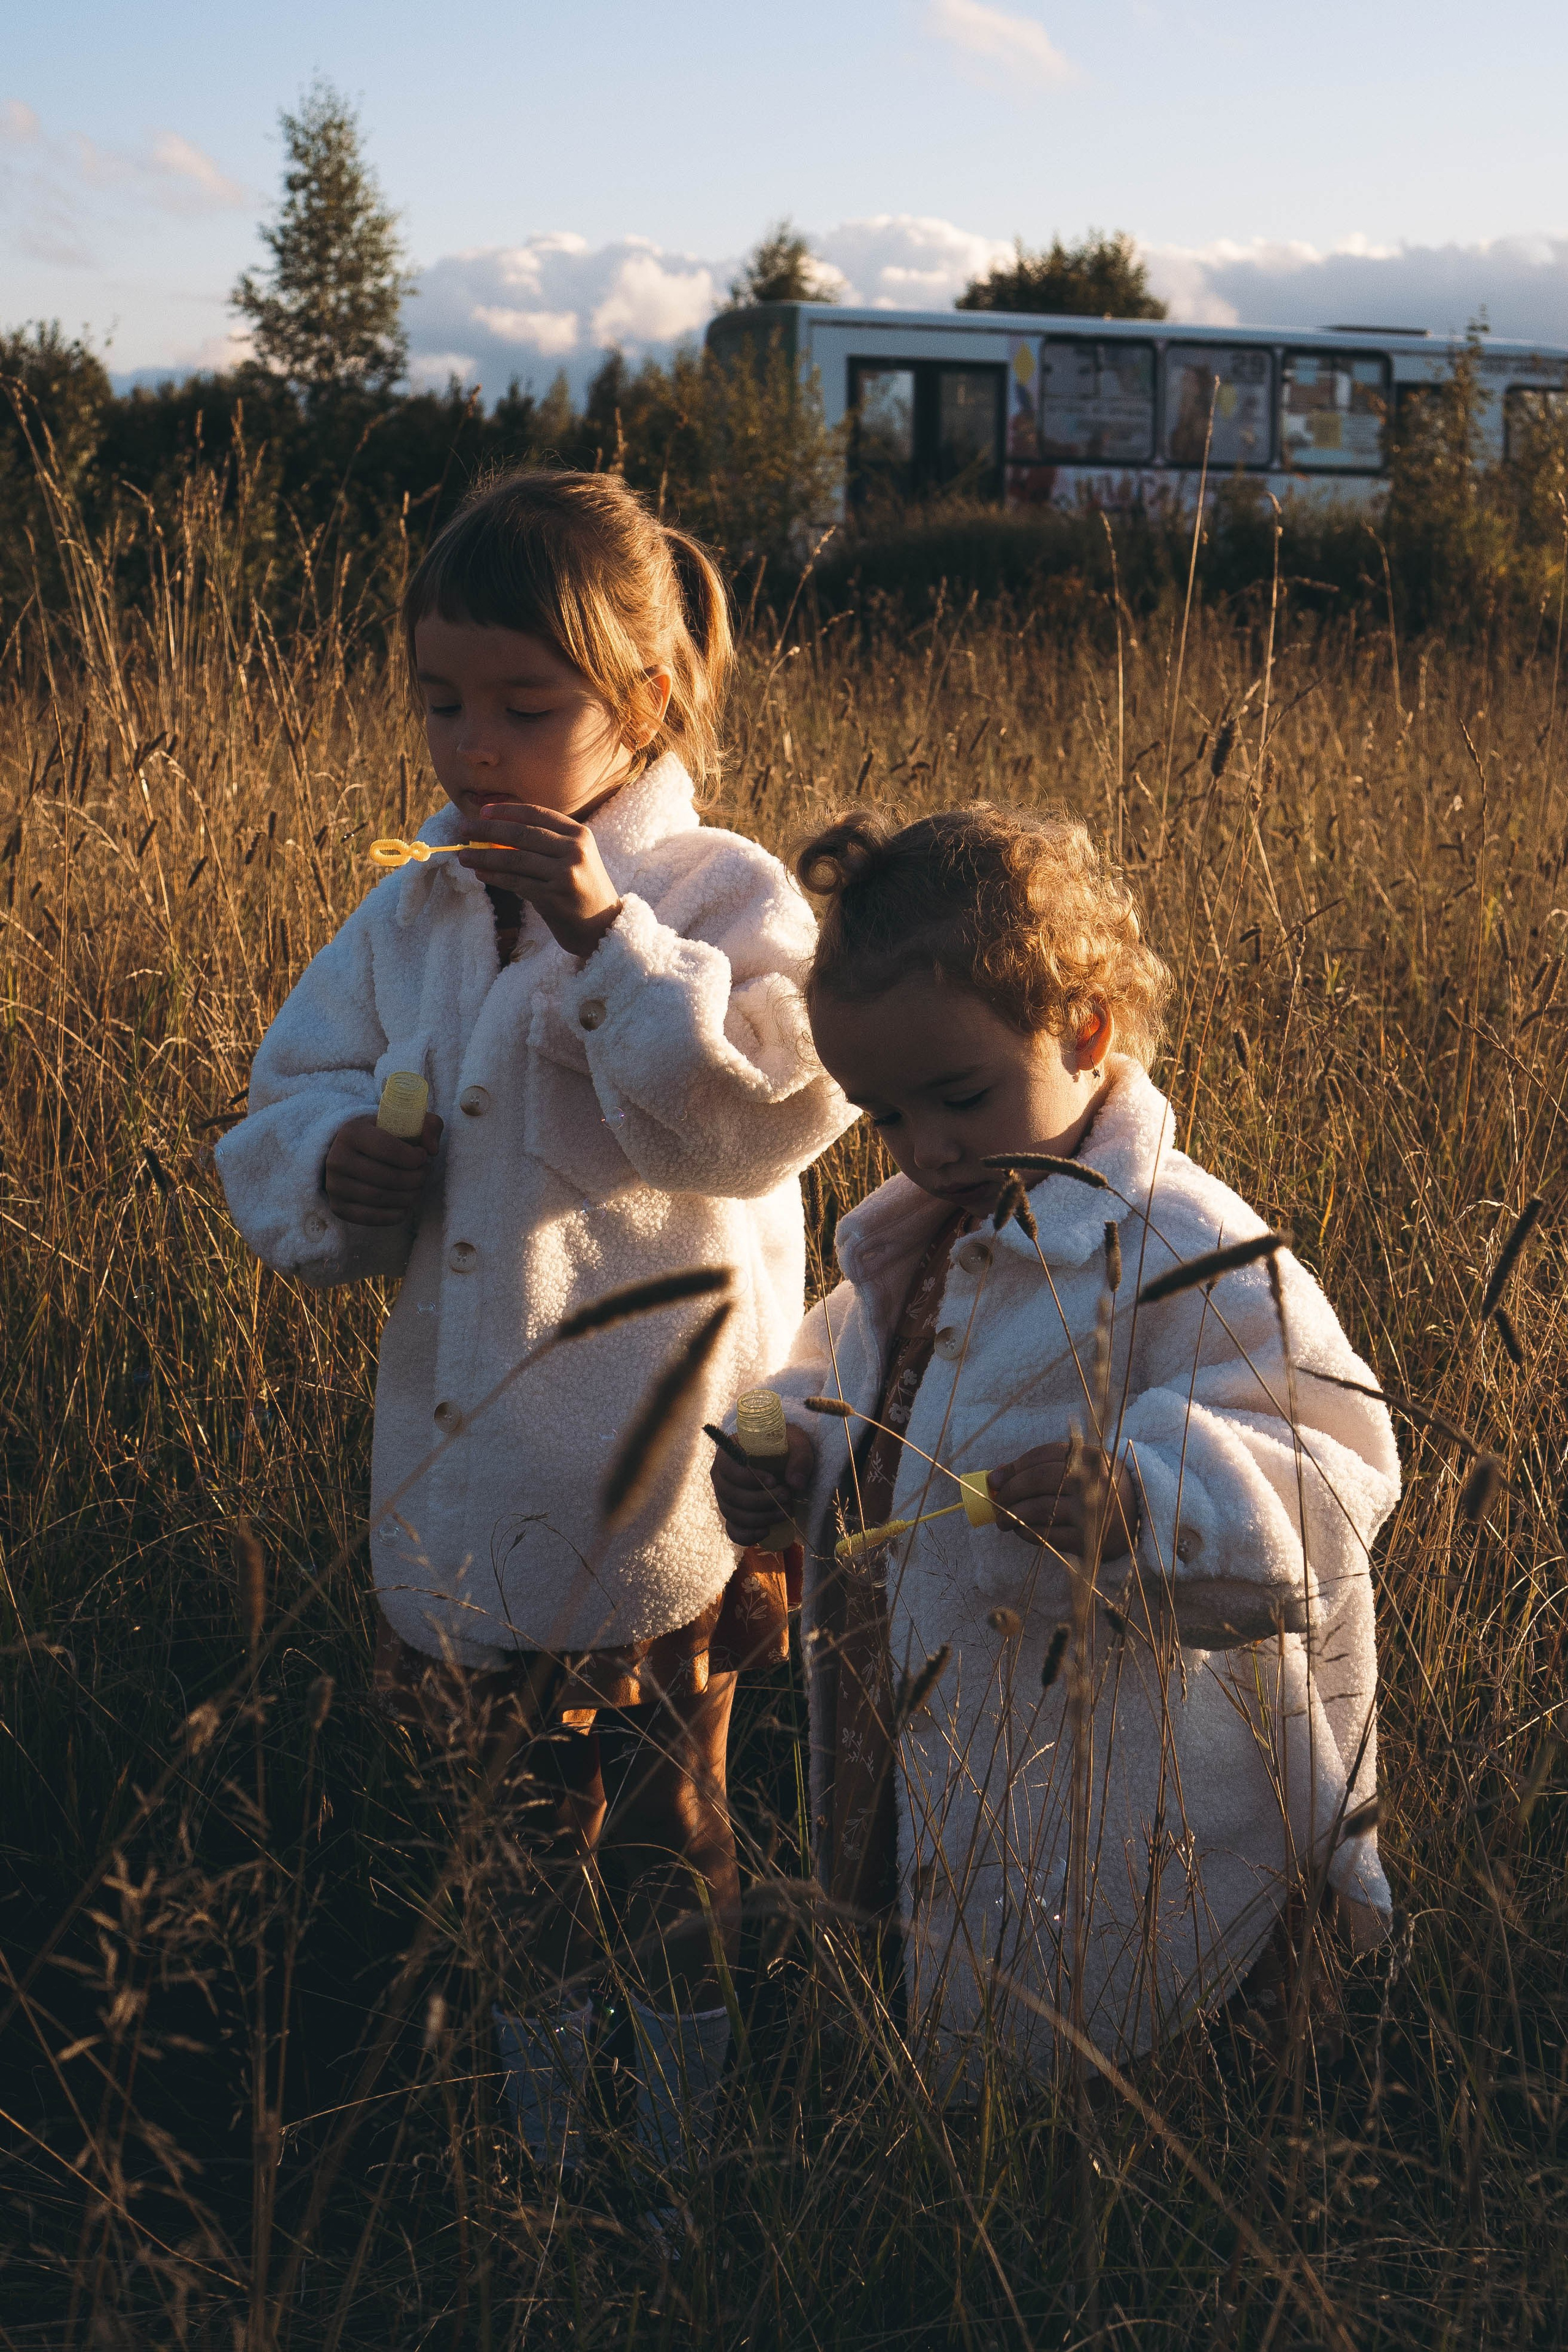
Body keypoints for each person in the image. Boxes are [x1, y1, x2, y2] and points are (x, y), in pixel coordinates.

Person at [216, 470, 850, 2176]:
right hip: (457, 1462)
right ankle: (552, 2143)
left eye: (525, 704)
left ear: (642, 703)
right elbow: (289, 1090)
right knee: (502, 1839)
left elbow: (761, 1116)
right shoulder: (414, 901)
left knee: (660, 1819)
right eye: (440, 701)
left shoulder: (723, 898)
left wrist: (604, 933)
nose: (472, 745)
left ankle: (684, 2154)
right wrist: (327, 1163)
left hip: (655, 1482)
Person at [711, 805, 1400, 2087]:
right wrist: (787, 1453)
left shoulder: (1183, 1244)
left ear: (1084, 1029)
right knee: (931, 1987)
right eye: (886, 1117)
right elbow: (842, 1375)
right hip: (906, 1732)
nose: (929, 1149)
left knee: (1108, 2041)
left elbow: (1335, 1460)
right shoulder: (912, 1232)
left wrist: (1147, 1496)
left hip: (1115, 1794)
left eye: (960, 1097)